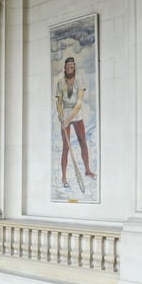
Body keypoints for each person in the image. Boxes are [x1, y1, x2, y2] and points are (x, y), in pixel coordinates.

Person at [56, 56, 95, 187]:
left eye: (71, 67)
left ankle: (87, 170)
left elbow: (79, 103)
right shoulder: (60, 82)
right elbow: (59, 102)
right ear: (64, 68)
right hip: (65, 113)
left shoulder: (79, 80)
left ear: (74, 68)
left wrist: (68, 120)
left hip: (76, 114)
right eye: (67, 67)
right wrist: (60, 115)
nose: (69, 69)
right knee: (65, 147)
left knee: (83, 142)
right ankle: (64, 177)